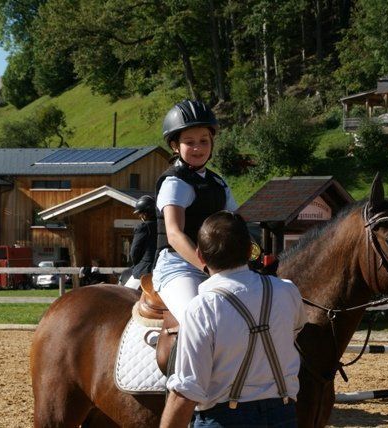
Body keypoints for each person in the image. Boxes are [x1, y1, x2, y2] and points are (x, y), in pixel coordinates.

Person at [160, 211, 306, 428]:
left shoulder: (202, 308)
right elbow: (294, 331)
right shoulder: (287, 291)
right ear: (249, 250)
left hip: (224, 419)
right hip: (283, 414)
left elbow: (187, 391)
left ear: (200, 256)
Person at [153, 99, 238, 323]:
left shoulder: (218, 183)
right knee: (198, 319)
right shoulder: (174, 182)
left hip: (217, 267)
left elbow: (238, 226)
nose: (198, 148)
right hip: (179, 268)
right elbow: (174, 235)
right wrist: (208, 268)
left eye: (203, 141)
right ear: (175, 146)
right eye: (189, 142)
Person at [123, 195, 157, 290]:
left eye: (140, 213)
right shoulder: (165, 225)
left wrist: (136, 265)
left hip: (146, 269)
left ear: (146, 213)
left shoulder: (143, 227)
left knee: (126, 293)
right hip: (165, 267)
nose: (140, 216)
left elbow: (134, 252)